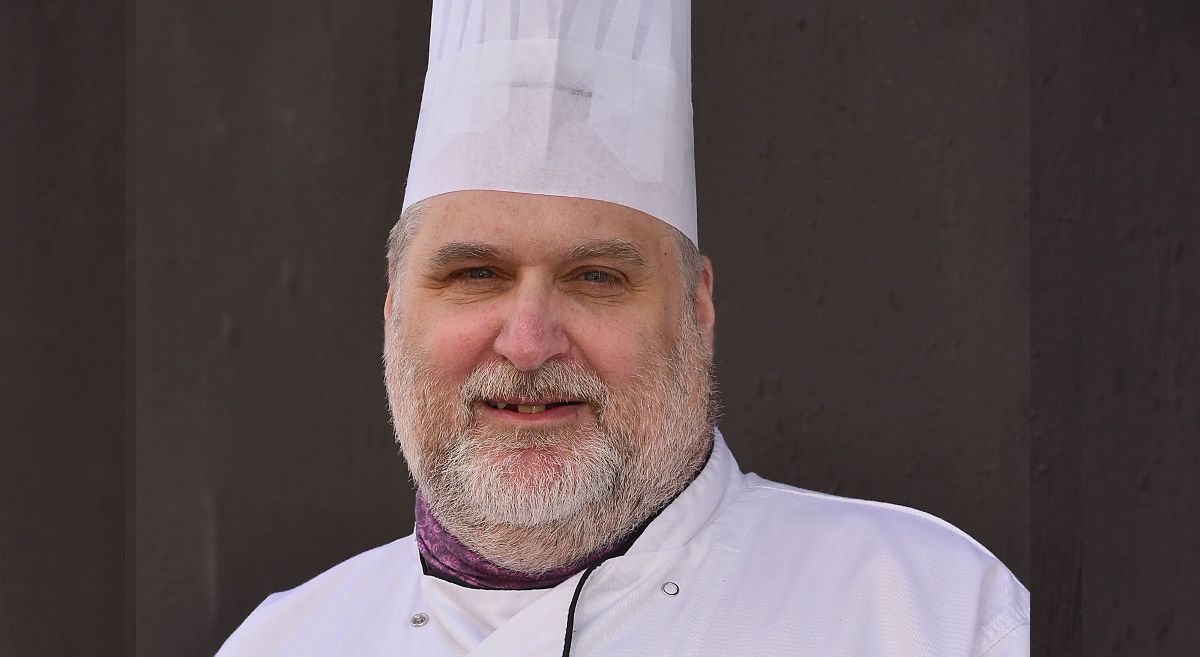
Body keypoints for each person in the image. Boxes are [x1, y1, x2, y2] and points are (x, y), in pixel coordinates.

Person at [216, 1, 1029, 655]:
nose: (529, 341)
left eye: (597, 277)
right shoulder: (286, 641)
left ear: (697, 308)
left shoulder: (934, 616)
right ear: (394, 308)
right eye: (475, 274)